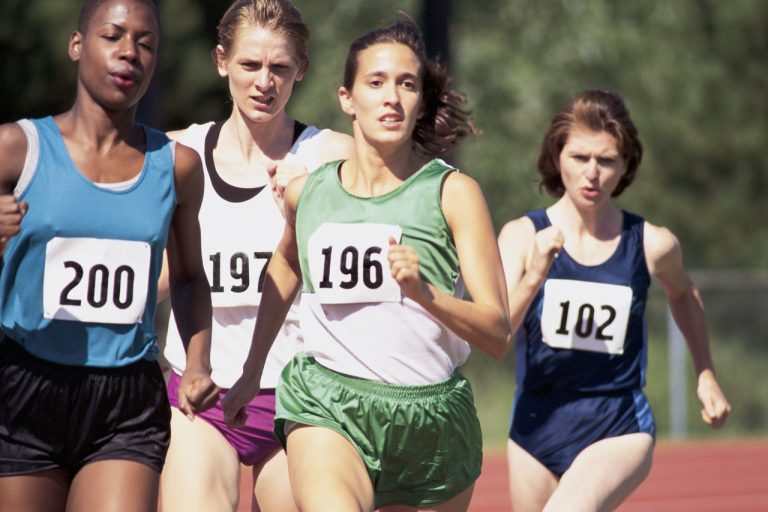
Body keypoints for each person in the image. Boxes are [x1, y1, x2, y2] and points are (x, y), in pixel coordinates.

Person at [222, 19, 512, 512]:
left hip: (430, 422)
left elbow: (498, 334)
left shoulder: (453, 193)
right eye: (376, 83)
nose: (392, 98)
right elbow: (287, 265)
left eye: (407, 84)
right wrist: (252, 370)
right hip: (328, 405)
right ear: (347, 98)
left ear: (421, 100)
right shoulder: (308, 191)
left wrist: (429, 295)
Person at [0, 1, 218, 511]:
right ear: (78, 45)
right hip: (24, 387)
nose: (129, 53)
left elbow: (188, 277)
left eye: (146, 43)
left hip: (125, 401)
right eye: (113, 36)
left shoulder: (177, 167)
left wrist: (198, 362)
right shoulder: (16, 149)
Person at [157, 1, 354, 511]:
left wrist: (319, 198)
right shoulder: (178, 155)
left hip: (301, 402)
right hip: (202, 395)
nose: (264, 81)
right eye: (250, 65)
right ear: (222, 61)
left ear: (301, 71)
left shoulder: (333, 155)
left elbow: (420, 191)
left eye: (280, 67)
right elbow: (141, 271)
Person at [498, 89, 732, 512]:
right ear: (557, 157)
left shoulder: (651, 244)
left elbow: (683, 293)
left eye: (606, 161)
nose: (592, 173)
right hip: (535, 424)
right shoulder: (520, 236)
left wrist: (706, 374)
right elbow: (495, 333)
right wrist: (534, 274)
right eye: (579, 158)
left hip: (617, 423)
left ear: (625, 166)